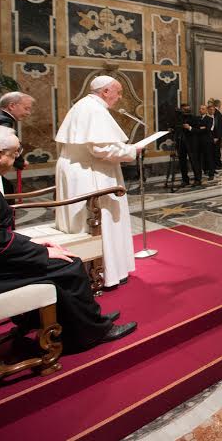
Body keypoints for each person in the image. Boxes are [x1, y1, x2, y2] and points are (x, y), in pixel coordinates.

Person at [0, 125, 137, 349]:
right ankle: (91, 332)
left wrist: (31, 242)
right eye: (15, 153)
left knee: (59, 260)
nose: (17, 157)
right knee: (68, 264)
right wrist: (42, 252)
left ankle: (84, 319)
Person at [54, 76, 140, 289]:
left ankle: (89, 271)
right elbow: (101, 148)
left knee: (83, 221)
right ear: (105, 91)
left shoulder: (82, 106)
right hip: (90, 173)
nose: (119, 97)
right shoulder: (95, 110)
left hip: (79, 170)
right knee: (101, 219)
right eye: (118, 92)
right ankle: (104, 272)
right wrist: (132, 150)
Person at [0, 91, 35, 193]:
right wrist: (20, 162)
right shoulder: (3, 121)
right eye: (26, 108)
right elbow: (9, 145)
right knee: (7, 190)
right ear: (12, 106)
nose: (28, 113)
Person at [173, 103, 202, 186]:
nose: (187, 110)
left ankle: (198, 179)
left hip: (191, 143)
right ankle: (185, 180)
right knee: (182, 162)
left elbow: (198, 130)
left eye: (188, 109)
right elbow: (175, 127)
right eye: (184, 109)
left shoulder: (194, 118)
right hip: (181, 142)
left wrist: (189, 128)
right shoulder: (178, 118)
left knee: (194, 161)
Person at [196, 104, 216, 180]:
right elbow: (196, 128)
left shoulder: (209, 119)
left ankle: (211, 174)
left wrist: (200, 128)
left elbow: (207, 129)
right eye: (200, 109)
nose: (200, 110)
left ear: (206, 110)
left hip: (207, 141)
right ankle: (204, 171)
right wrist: (201, 128)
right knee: (201, 158)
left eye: (202, 109)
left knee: (209, 157)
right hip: (199, 141)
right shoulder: (197, 118)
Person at [209, 100, 222, 169]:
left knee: (217, 151)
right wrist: (217, 137)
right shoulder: (216, 112)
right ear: (219, 104)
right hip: (216, 136)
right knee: (216, 151)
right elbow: (216, 126)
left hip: (218, 135)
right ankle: (217, 164)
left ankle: (219, 164)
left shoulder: (217, 112)